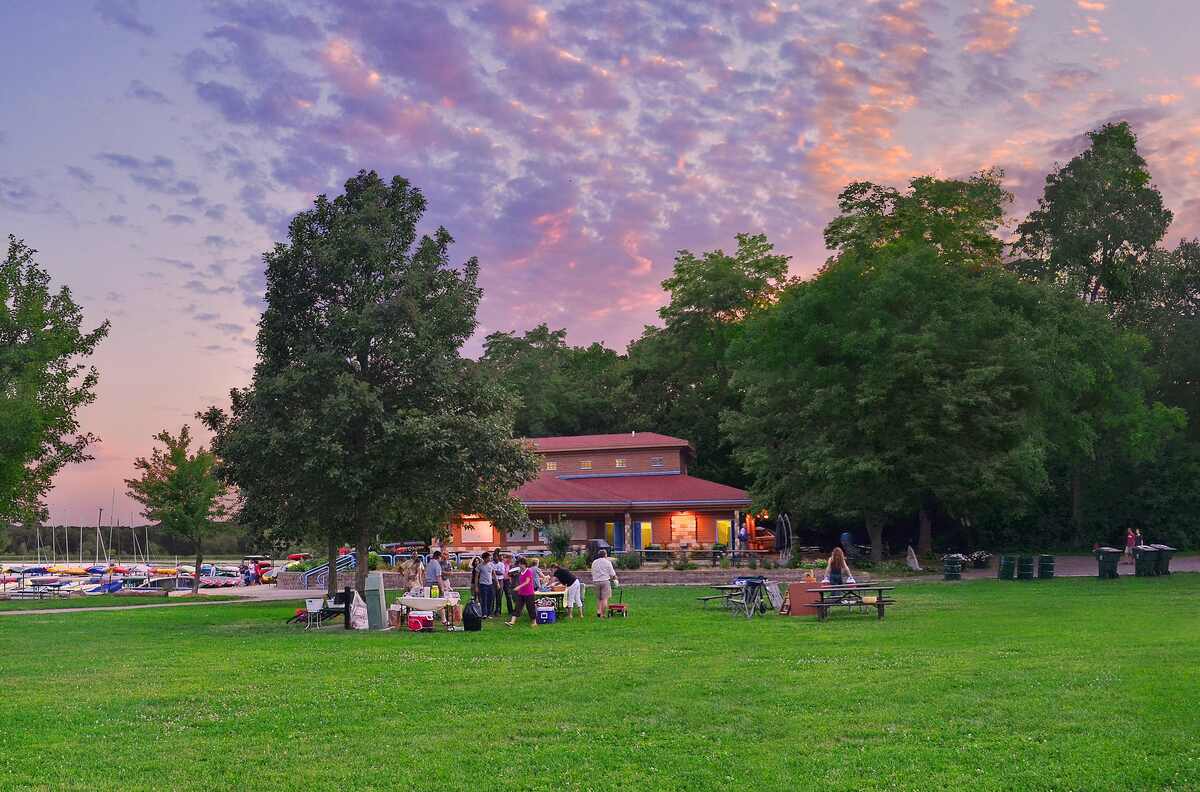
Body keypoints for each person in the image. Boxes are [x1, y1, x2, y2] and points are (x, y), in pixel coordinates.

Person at [505, 557, 539, 627]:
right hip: (521, 593)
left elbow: (527, 581)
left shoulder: (528, 571)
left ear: (523, 564)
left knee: (530, 608)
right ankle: (512, 622)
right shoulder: (520, 572)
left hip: (529, 593)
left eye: (519, 564)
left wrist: (518, 587)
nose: (519, 566)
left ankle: (534, 623)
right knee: (517, 607)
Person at [590, 549, 619, 618]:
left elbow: (592, 572)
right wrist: (615, 579)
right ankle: (603, 614)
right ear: (605, 555)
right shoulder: (607, 562)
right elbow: (612, 574)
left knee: (599, 598)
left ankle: (598, 612)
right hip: (605, 581)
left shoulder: (594, 562)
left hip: (596, 581)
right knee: (605, 598)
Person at [477, 551, 495, 618]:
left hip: (490, 584)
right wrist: (476, 586)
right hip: (483, 585)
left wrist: (497, 583)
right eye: (488, 558)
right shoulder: (480, 566)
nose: (490, 559)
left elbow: (494, 574)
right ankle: (484, 613)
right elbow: (476, 576)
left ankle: (489, 613)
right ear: (484, 558)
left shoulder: (491, 565)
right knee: (484, 599)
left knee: (490, 599)